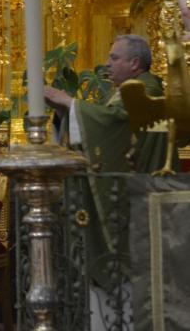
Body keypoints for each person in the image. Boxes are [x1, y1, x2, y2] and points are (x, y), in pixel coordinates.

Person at [43, 35, 171, 291]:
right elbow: (105, 123)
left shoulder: (146, 90)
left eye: (114, 58)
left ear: (134, 63)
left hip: (137, 192)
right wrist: (65, 112)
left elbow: (115, 124)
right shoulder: (128, 90)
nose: (106, 64)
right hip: (131, 187)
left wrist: (70, 102)